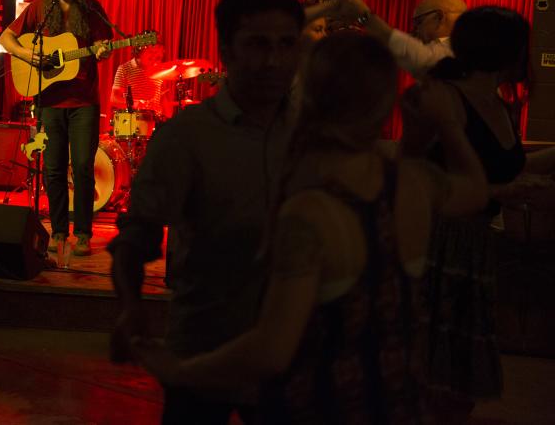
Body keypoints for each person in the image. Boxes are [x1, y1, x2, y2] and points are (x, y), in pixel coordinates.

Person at [130, 31, 489, 424]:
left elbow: (272, 349)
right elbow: (475, 189)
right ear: (388, 104)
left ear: (309, 99)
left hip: (322, 404)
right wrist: (444, 126)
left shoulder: (309, 213)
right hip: (398, 403)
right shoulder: (413, 184)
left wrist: (181, 371)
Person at [108, 0, 304, 423]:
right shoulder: (187, 136)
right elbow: (137, 233)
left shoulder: (314, 135)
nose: (273, 61)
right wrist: (130, 307)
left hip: (294, 351)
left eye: (286, 44)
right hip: (205, 336)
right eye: (257, 44)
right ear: (227, 50)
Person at [402, 6, 534, 422]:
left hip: (474, 243)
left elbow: (503, 167)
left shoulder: (496, 102)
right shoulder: (449, 99)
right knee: (435, 374)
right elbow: (412, 182)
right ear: (509, 52)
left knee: (455, 377)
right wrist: (503, 192)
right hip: (440, 243)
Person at [0, 0, 112, 257]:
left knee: (84, 168)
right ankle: (58, 230)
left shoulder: (92, 12)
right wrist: (26, 55)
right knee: (53, 169)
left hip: (83, 101)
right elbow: (6, 37)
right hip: (48, 101)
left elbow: (104, 45)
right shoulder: (39, 9)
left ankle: (84, 233)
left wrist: (102, 51)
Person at [341, 0, 467, 78]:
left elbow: (423, 59)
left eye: (419, 22)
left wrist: (365, 17)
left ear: (439, 17)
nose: (414, 31)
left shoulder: (459, 49)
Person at [110, 43, 166, 116]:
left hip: (154, 119)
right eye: (151, 52)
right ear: (139, 52)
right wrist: (136, 103)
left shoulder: (159, 70)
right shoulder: (124, 69)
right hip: (132, 119)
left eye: (158, 54)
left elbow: (163, 99)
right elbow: (114, 99)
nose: (155, 57)